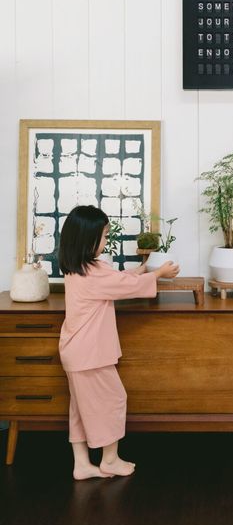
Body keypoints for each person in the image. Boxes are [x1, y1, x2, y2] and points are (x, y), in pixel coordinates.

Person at [58, 205, 179, 480]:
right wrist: (158, 275)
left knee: (79, 409)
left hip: (76, 351)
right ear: (87, 239)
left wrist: (145, 269)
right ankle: (109, 460)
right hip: (89, 354)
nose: (105, 241)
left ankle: (81, 464)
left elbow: (117, 280)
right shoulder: (92, 272)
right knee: (113, 399)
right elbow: (124, 287)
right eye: (103, 236)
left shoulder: (79, 268)